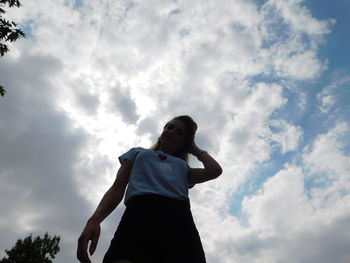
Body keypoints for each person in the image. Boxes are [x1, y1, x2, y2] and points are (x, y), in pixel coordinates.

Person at [77, 115, 223, 263]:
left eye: (179, 132)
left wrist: (195, 149)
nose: (171, 132)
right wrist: (95, 220)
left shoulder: (183, 167)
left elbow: (215, 170)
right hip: (138, 216)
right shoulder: (137, 153)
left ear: (184, 143)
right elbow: (117, 187)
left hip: (179, 223)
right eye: (169, 127)